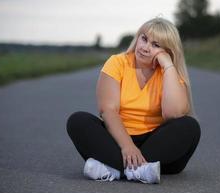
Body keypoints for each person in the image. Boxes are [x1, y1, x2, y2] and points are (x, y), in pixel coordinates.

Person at [66, 17, 201, 184]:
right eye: (144, 38)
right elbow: (108, 110)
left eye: (156, 45)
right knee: (78, 120)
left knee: (190, 126)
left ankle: (112, 169)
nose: (145, 47)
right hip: (116, 140)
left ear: (167, 52)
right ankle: (140, 170)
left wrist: (167, 66)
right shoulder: (117, 62)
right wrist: (127, 146)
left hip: (156, 145)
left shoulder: (170, 74)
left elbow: (173, 114)